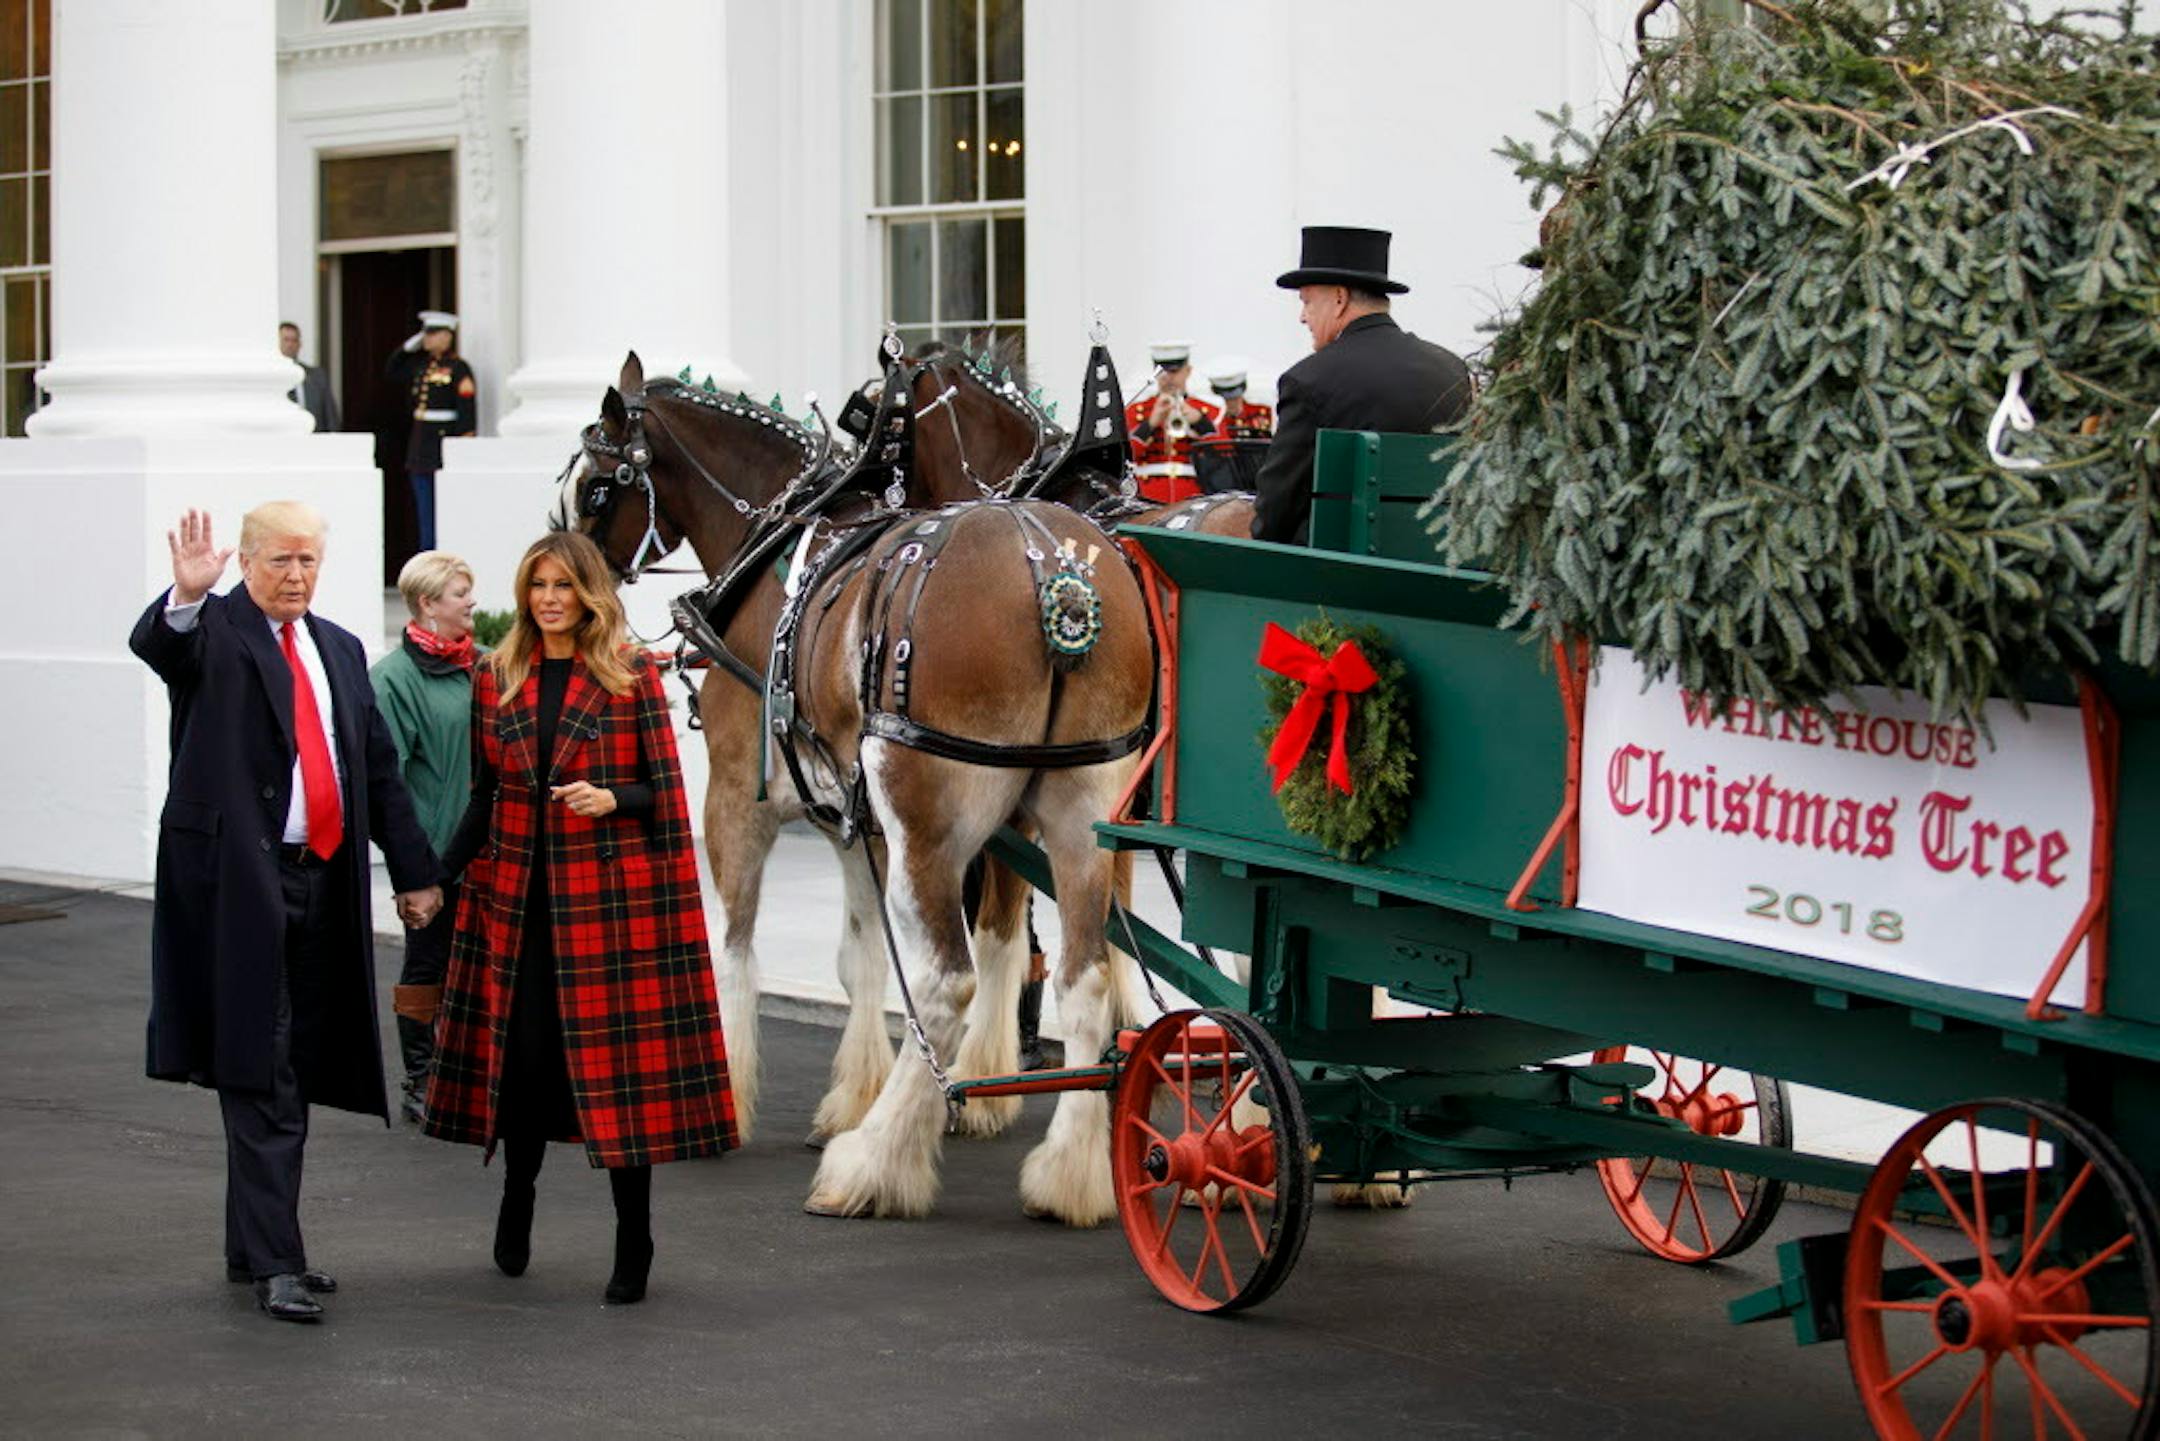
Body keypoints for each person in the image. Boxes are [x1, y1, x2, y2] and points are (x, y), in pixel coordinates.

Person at [129, 503, 443, 1324]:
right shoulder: (215, 632)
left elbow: (376, 770)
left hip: (323, 880)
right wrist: (186, 595)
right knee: (261, 1064)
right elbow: (161, 647)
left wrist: (414, 872)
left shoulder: (338, 647)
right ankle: (277, 1260)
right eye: (280, 561)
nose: (296, 575)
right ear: (247, 560)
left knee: (287, 1062)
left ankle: (251, 1245)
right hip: (238, 884)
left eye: (308, 560)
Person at [425, 530, 735, 1306]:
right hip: (518, 908)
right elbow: (484, 798)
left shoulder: (631, 676)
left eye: (564, 585)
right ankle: (516, 1194)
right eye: (538, 586)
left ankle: (635, 1236)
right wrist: (433, 878)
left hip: (607, 916)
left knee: (619, 1082)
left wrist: (610, 798)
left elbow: (663, 798)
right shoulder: (496, 674)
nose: (550, 599)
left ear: (590, 593)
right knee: (526, 1068)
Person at [1250, 226, 1474, 545]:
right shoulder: (1452, 369)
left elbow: (1275, 511)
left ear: (1339, 299)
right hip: (1441, 567)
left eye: (1307, 302)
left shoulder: (1308, 380)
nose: (1303, 317)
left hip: (1338, 579)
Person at [368, 550, 482, 1125]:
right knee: (427, 969)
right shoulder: (393, 680)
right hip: (436, 859)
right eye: (460, 593)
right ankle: (422, 1080)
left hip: (492, 854)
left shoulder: (482, 665)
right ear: (427, 604)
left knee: (484, 970)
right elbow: (384, 781)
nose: (472, 602)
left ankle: (475, 1074)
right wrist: (415, 871)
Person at [384, 310, 476, 552]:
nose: (427, 339)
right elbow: (392, 371)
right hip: (420, 448)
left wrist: (463, 448)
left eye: (432, 334)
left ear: (447, 336)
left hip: (443, 446)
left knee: (444, 512)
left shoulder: (458, 368)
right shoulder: (421, 366)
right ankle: (427, 556)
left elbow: (466, 410)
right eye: (425, 334)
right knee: (424, 512)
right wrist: (407, 347)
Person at [1124, 341, 1222, 504]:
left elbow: (1221, 454)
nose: (1168, 378)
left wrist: (1199, 422)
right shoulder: (1136, 410)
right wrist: (1150, 424)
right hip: (1148, 492)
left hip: (1193, 492)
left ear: (1188, 371)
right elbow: (1127, 456)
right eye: (1162, 372)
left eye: (1175, 371)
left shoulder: (1208, 410)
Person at [280, 322, 339, 433]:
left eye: (294, 340)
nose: (290, 345)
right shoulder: (272, 378)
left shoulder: (317, 376)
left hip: (315, 442)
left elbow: (331, 418)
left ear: (300, 344)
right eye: (286, 340)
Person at [1206, 359, 1274, 439]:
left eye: (1235, 398)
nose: (1232, 403)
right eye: (1226, 400)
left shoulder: (1263, 412)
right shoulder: (1210, 419)